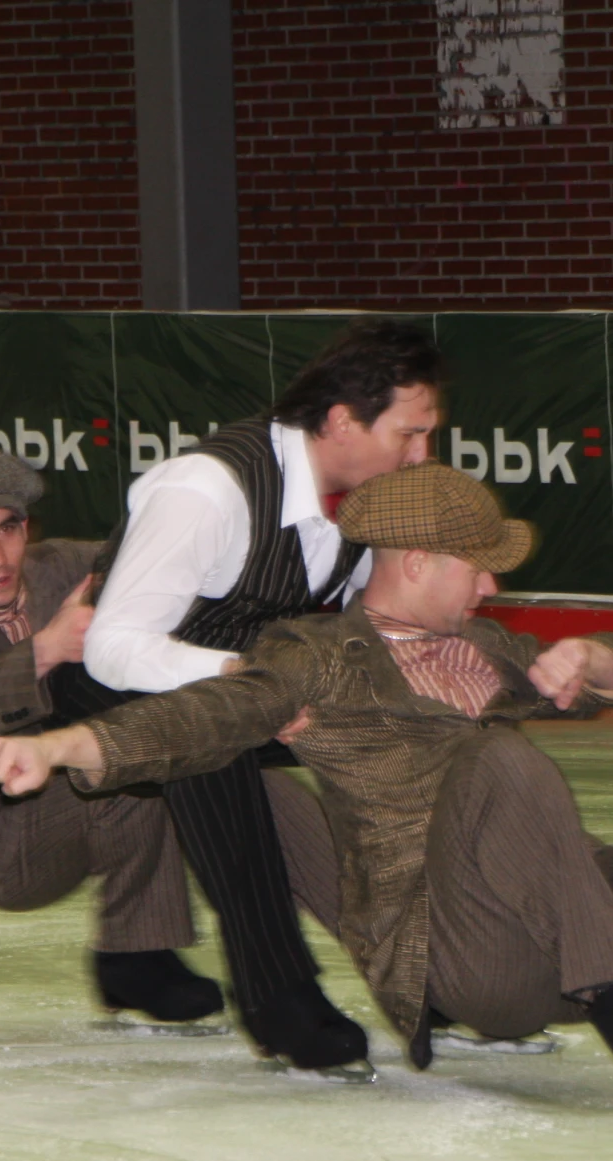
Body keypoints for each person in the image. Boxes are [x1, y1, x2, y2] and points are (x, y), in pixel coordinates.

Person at [0, 462, 613, 1095]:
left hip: (549, 932)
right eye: (477, 564)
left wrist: (594, 659)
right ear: (416, 561)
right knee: (498, 761)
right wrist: (68, 746)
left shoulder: (483, 648)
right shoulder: (315, 655)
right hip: (460, 959)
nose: (492, 585)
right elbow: (199, 721)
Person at [47, 316, 447, 1073]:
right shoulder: (210, 489)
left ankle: (444, 970)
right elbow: (112, 645)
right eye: (410, 434)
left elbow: (377, 624)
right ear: (340, 421)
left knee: (401, 735)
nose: (423, 454)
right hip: (102, 684)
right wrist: (246, 687)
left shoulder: (367, 500)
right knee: (210, 743)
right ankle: (279, 1000)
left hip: (246, 687)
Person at [0, 445, 222, 1026]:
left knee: (199, 760)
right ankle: (134, 960)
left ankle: (218, 944)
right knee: (123, 762)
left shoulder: (61, 569)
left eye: (8, 529)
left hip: (62, 795)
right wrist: (46, 650)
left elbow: (150, 559)